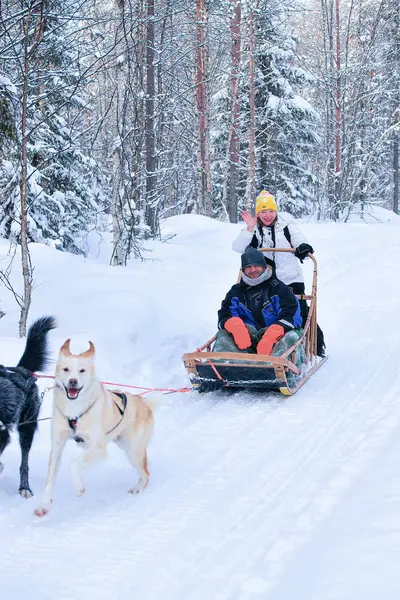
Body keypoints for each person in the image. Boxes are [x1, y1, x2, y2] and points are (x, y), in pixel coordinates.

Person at [232, 190, 326, 357]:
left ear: (276, 211)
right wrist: (249, 228)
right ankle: (265, 345)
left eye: (270, 211)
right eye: (263, 212)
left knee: (299, 312)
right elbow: (238, 248)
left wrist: (303, 248)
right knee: (264, 312)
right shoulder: (254, 230)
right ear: (258, 213)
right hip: (264, 280)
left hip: (291, 279)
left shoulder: (287, 227)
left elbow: (300, 241)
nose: (267, 215)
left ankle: (317, 346)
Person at [214, 247, 302, 356]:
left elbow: (291, 314)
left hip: (276, 337)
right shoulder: (236, 292)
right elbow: (224, 314)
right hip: (247, 338)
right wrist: (235, 327)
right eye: (248, 267)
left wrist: (272, 335)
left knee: (291, 337)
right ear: (243, 270)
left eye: (256, 266)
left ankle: (276, 368)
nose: (253, 270)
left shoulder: (279, 289)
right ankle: (223, 363)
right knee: (223, 334)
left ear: (264, 267)